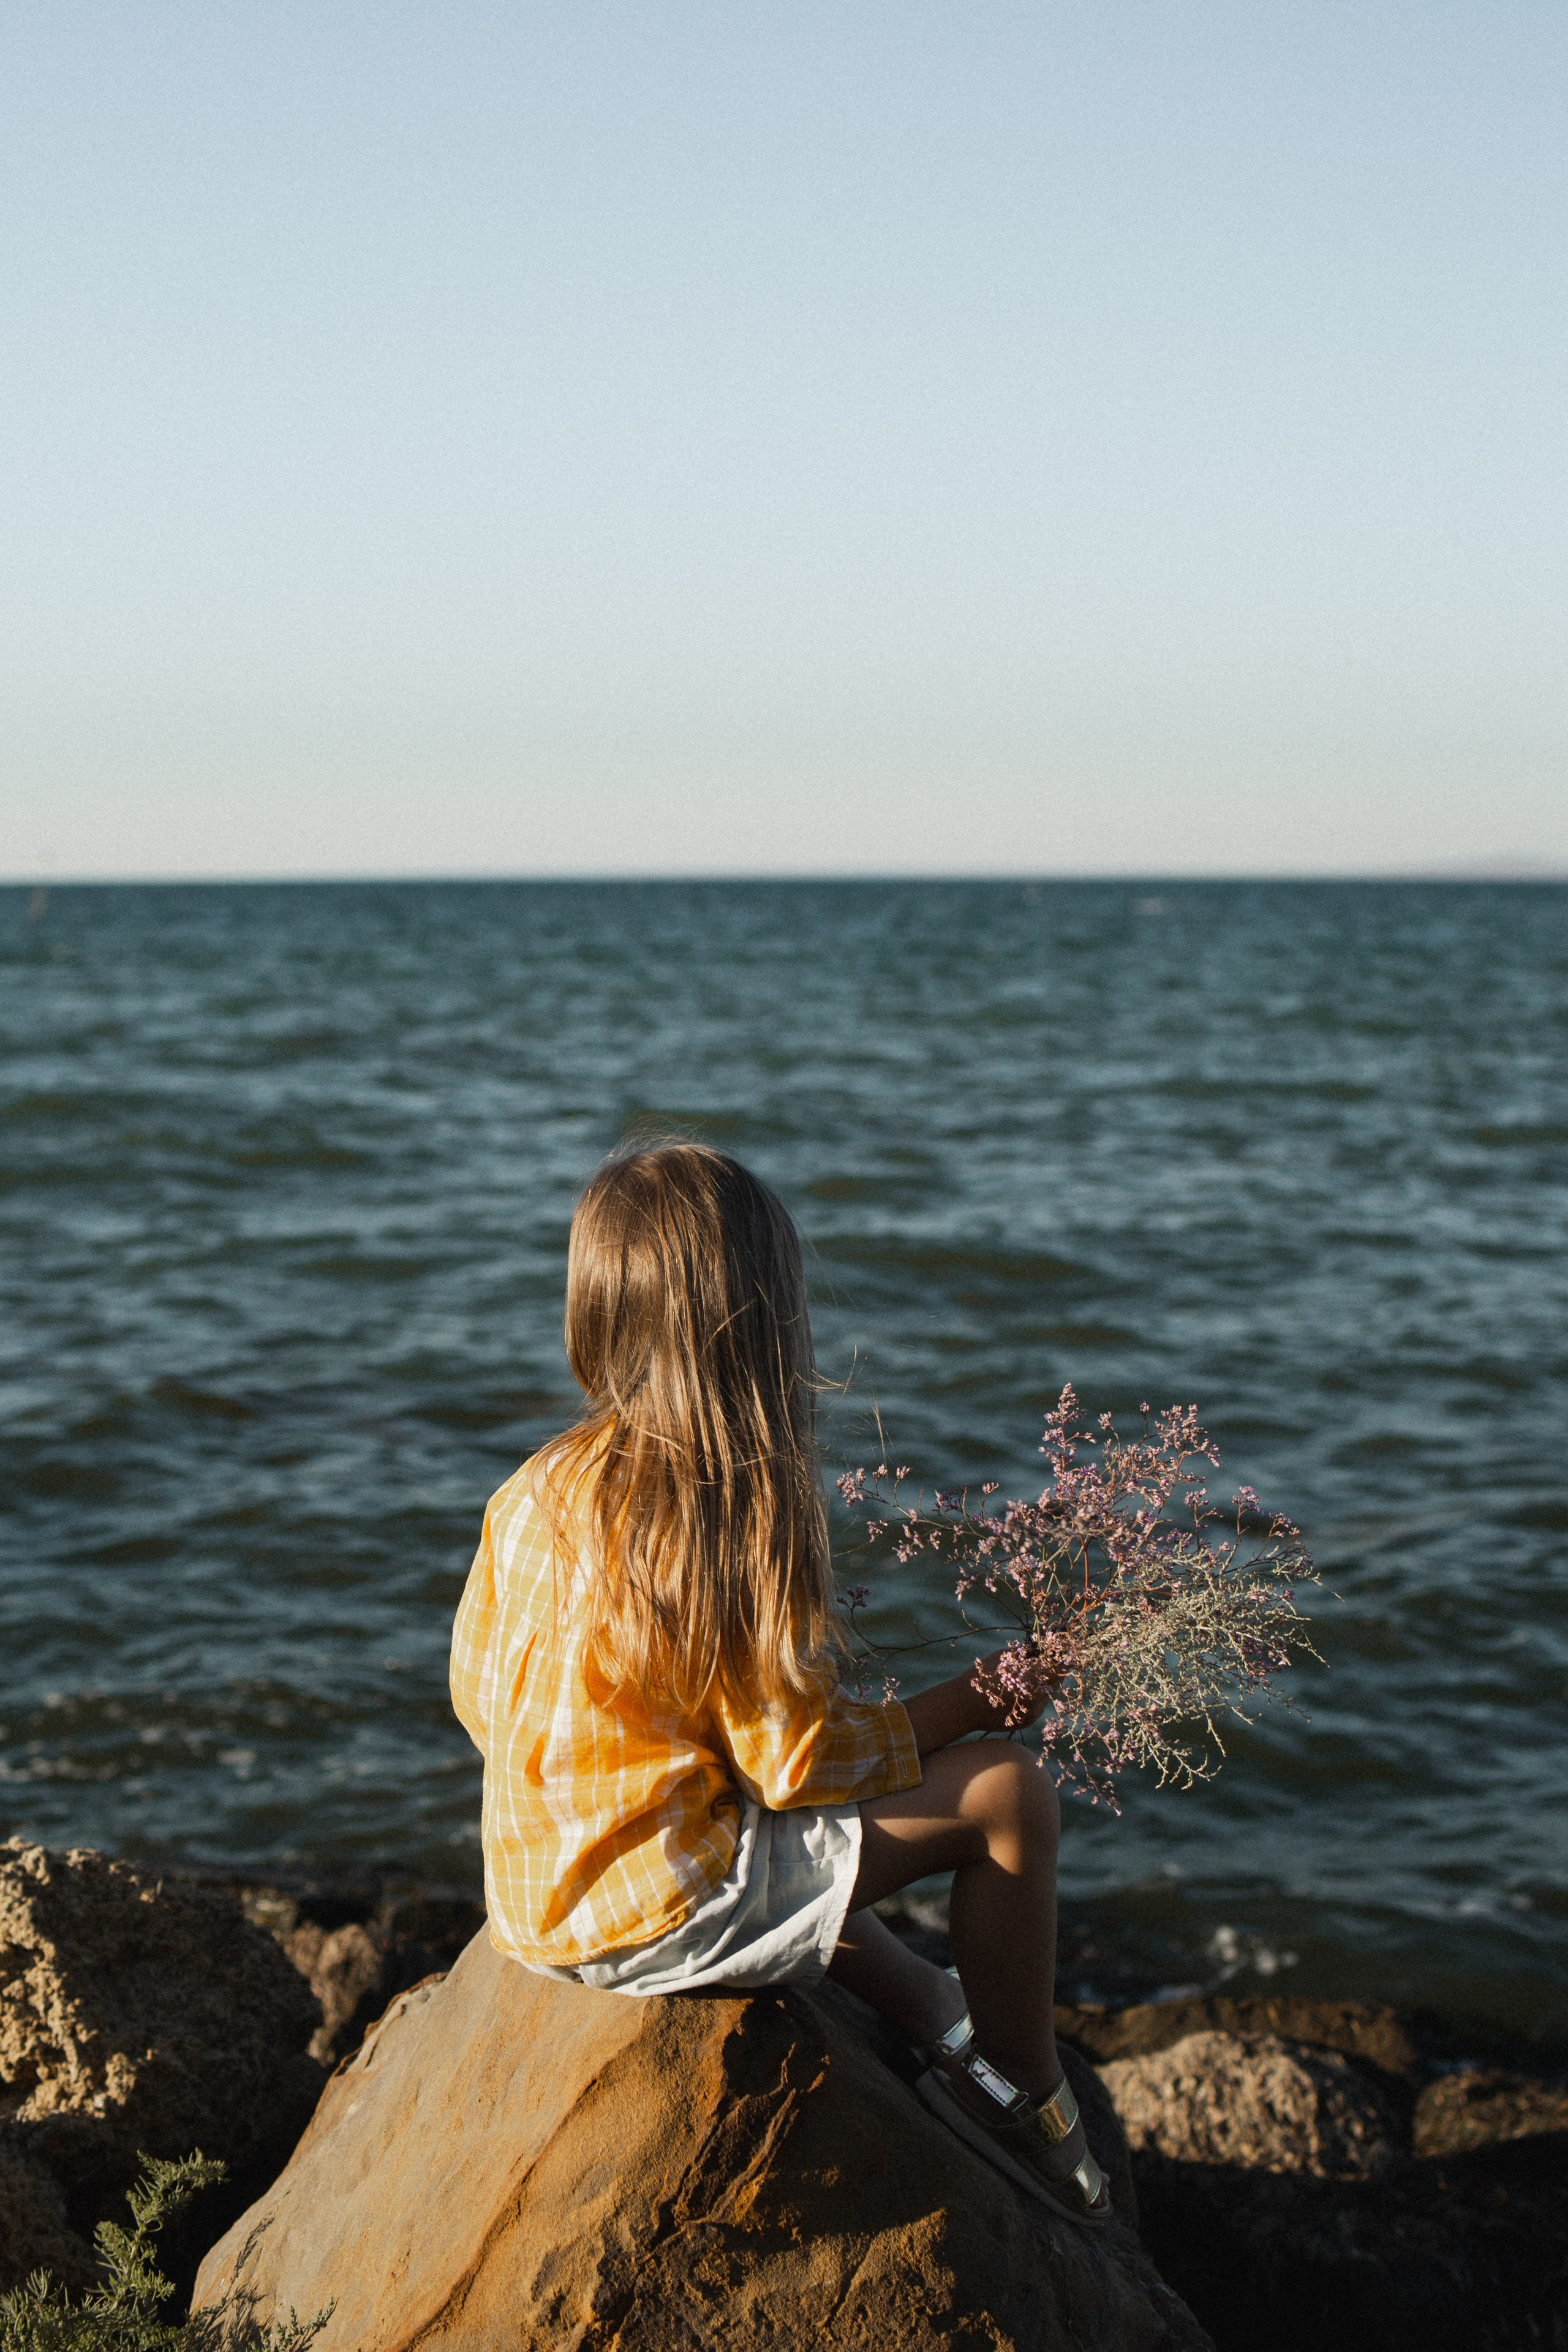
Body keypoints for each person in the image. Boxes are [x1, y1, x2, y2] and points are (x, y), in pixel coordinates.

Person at [450, 1141, 1108, 2226]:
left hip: (534, 1902)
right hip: (650, 1919)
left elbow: (481, 1695)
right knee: (1006, 1795)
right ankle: (1023, 2092)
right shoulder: (724, 1520)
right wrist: (979, 1700)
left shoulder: (535, 1487)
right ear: (767, 1323)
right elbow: (799, 1768)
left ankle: (929, 2005)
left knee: (769, 1840)